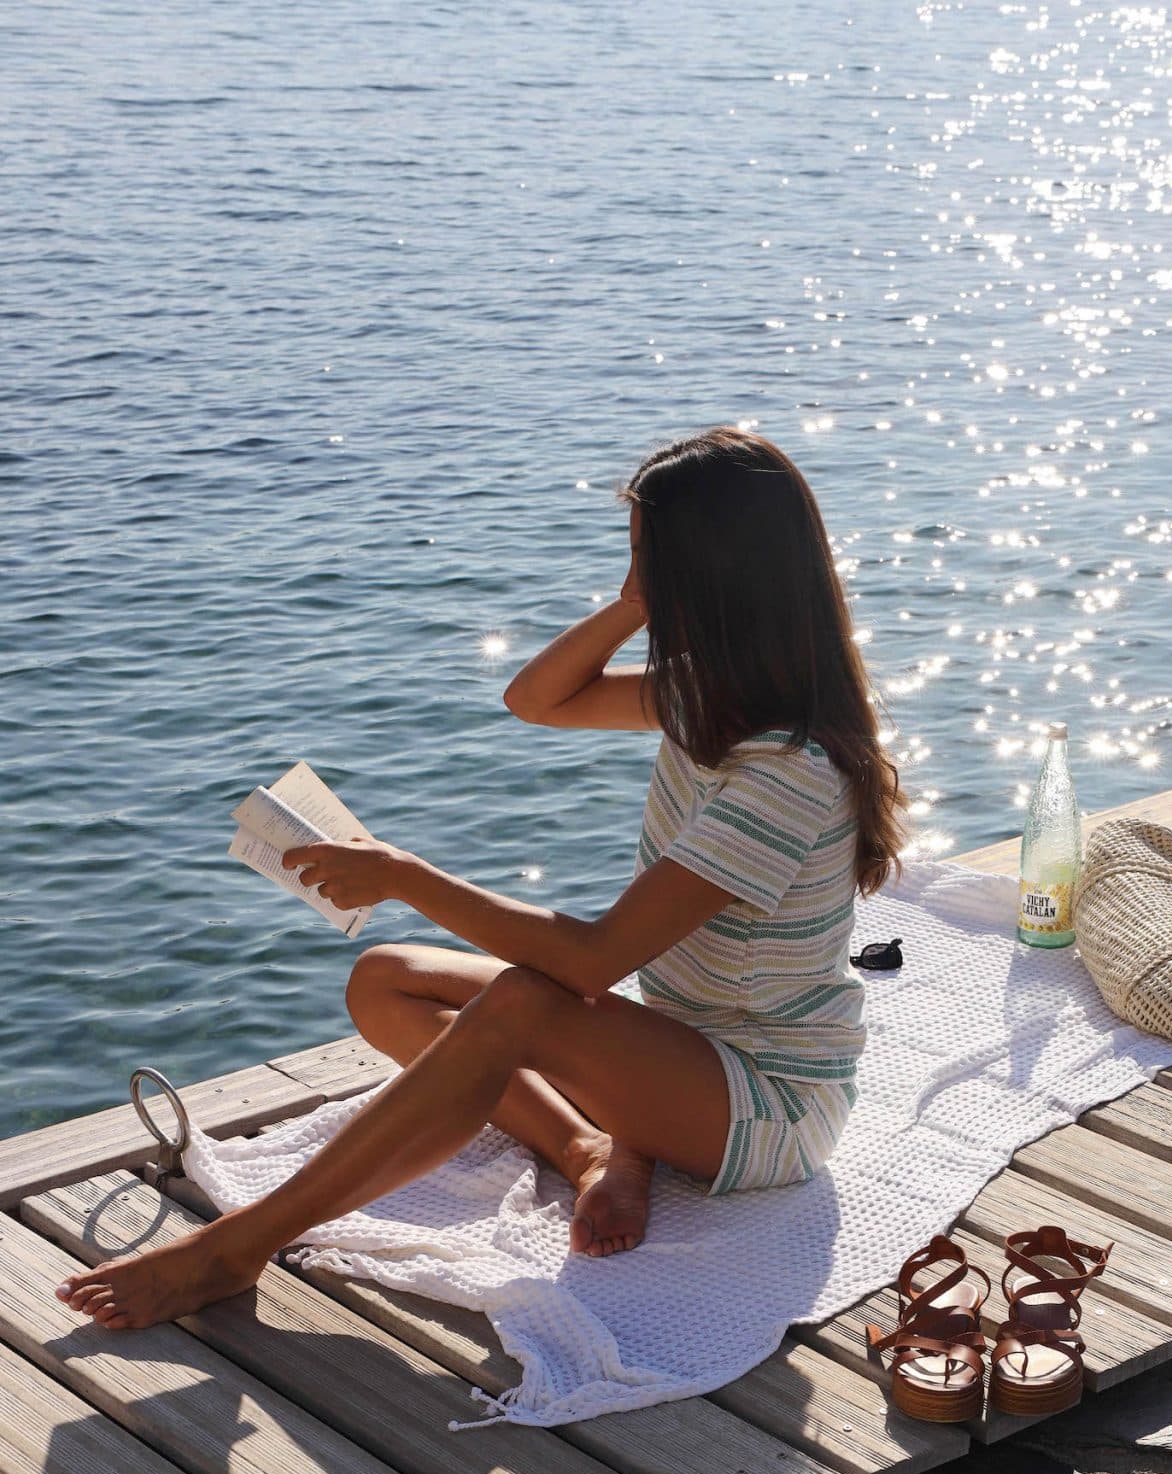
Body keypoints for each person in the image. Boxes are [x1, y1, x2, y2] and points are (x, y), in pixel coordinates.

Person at [56, 427, 906, 1331]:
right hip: (677, 1044)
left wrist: (403, 875)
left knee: (519, 1004)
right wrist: (631, 604)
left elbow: (594, 960)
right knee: (387, 980)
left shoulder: (787, 770)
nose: (637, 578)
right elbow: (537, 700)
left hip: (764, 1102)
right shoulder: (706, 698)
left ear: (707, 573)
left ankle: (237, 1247)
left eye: (647, 560)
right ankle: (589, 1151)